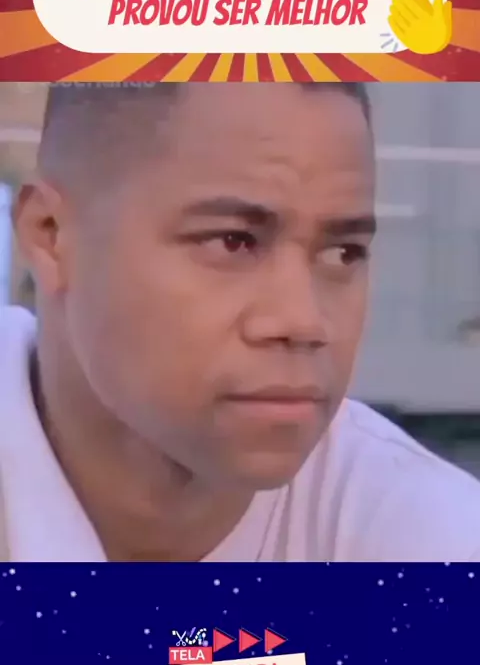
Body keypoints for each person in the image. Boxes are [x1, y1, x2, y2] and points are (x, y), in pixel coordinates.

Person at [1, 81, 480, 563]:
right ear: (50, 235)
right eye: (231, 242)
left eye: (343, 252)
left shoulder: (432, 544)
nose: (303, 321)